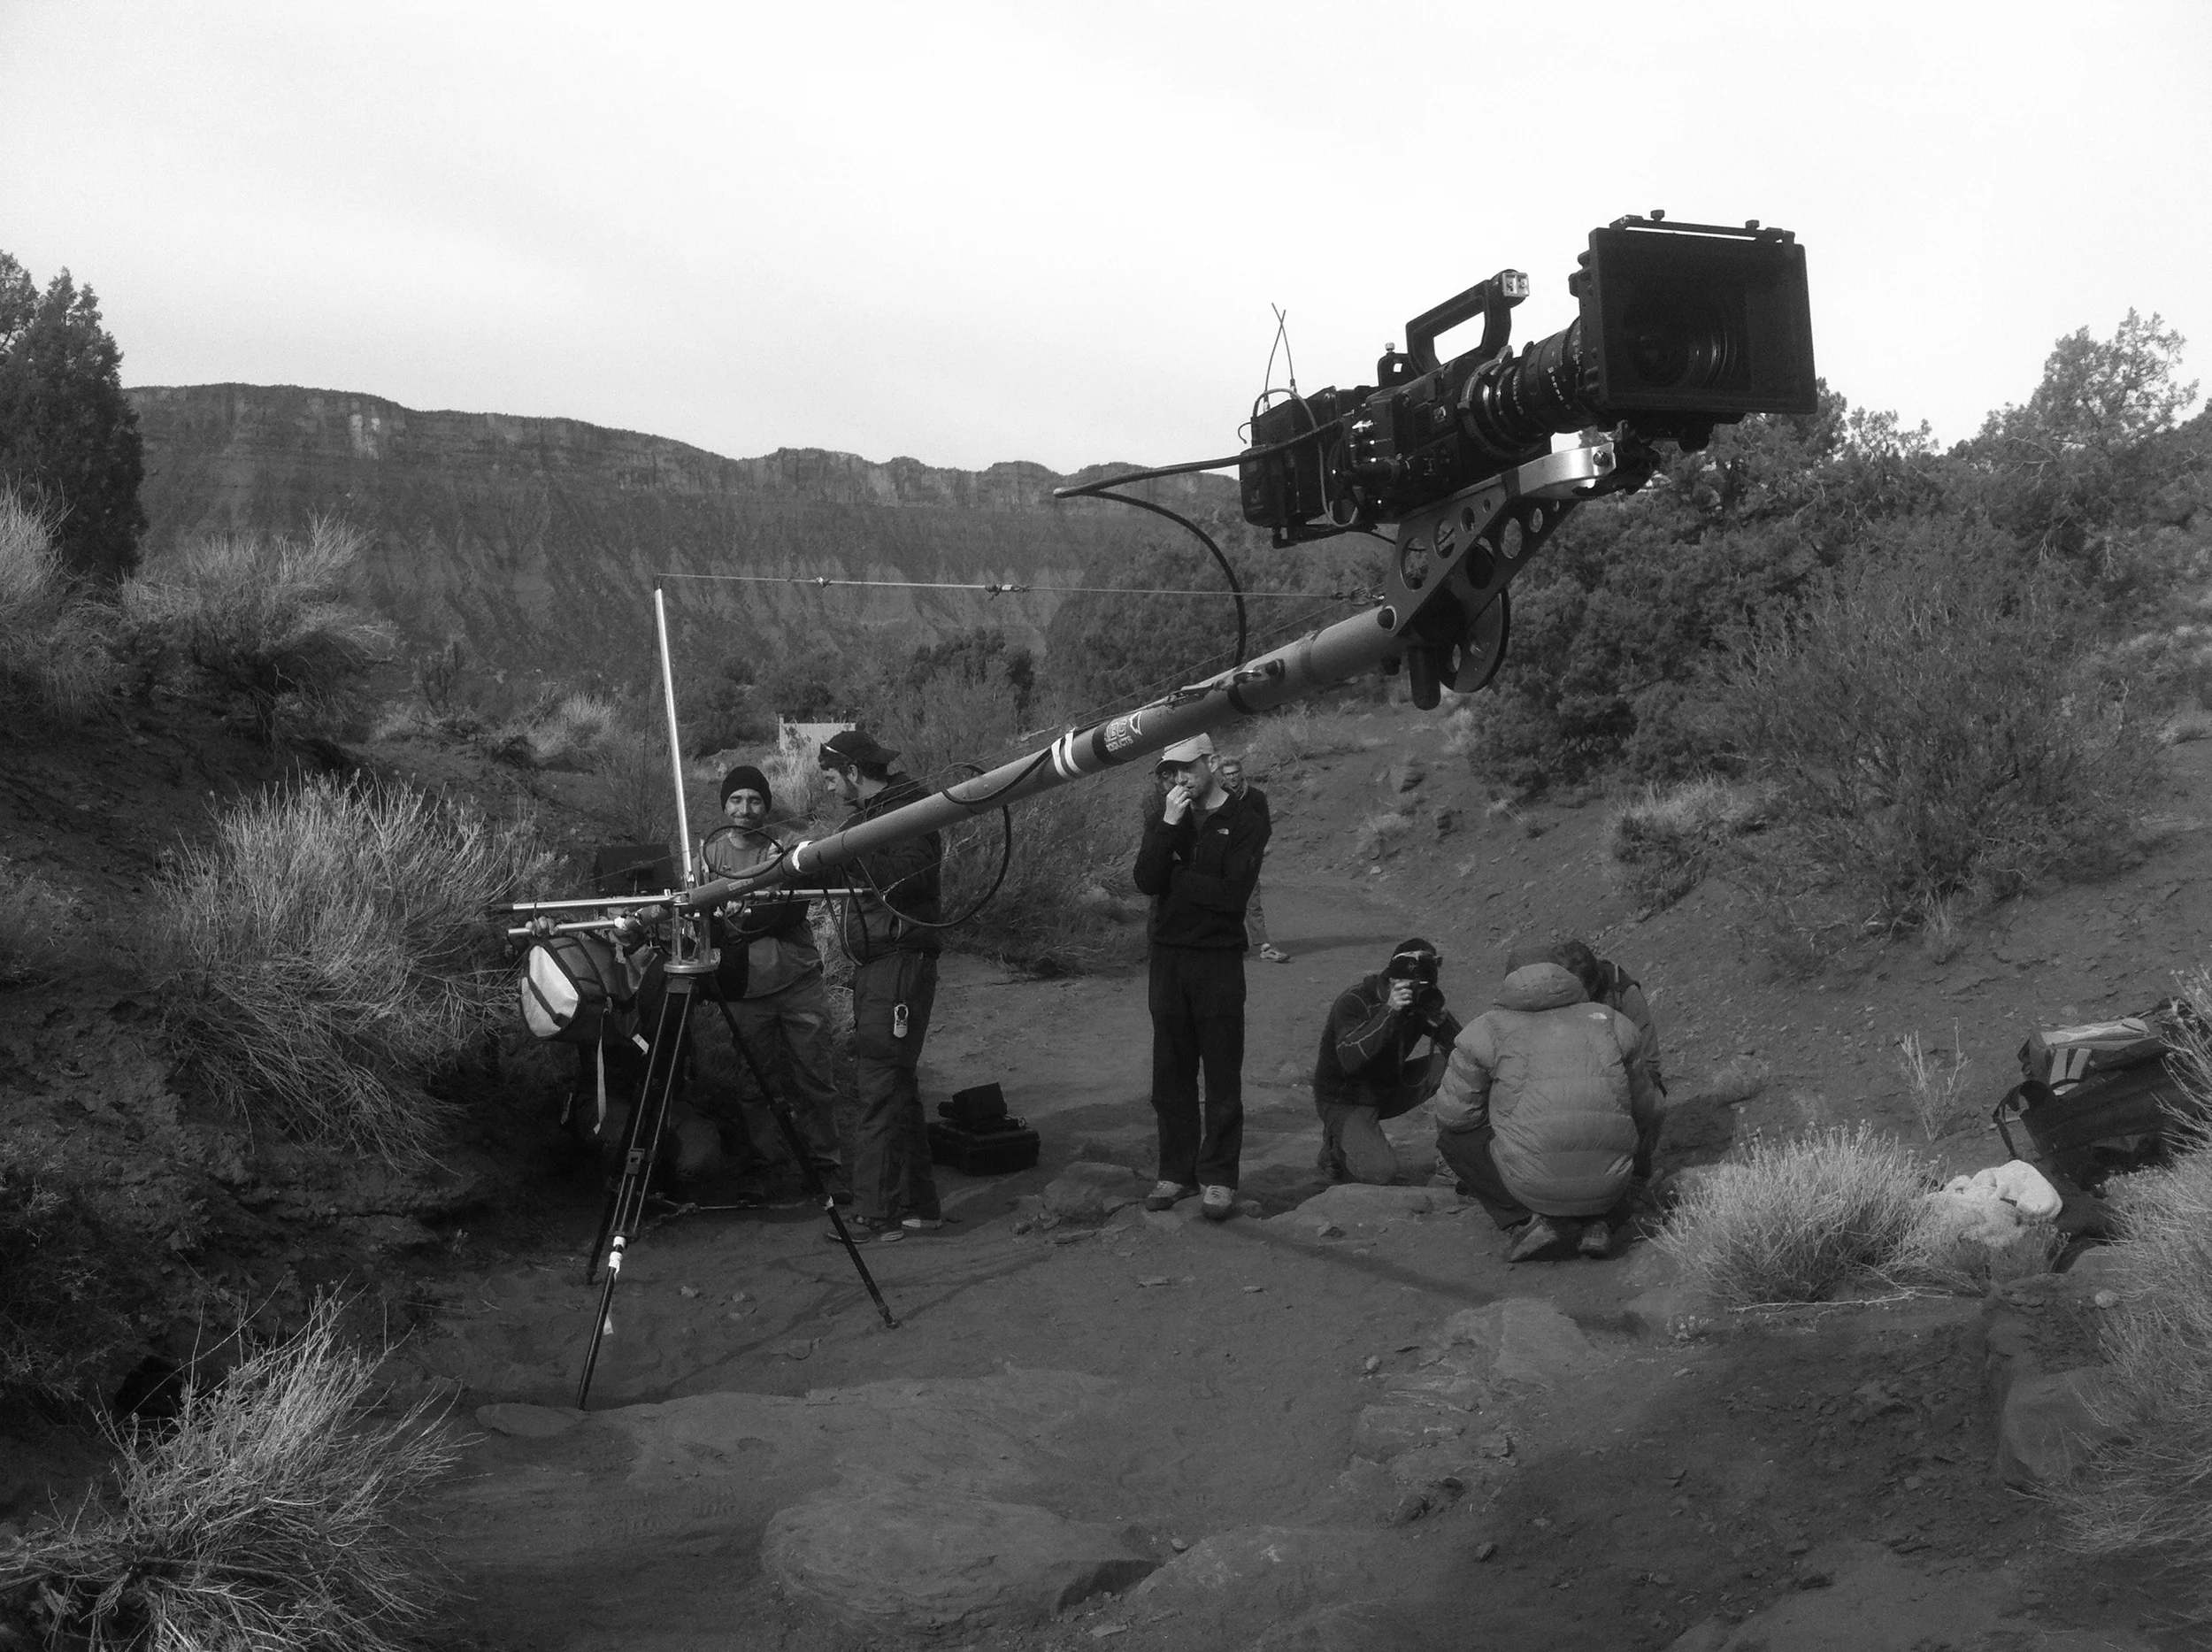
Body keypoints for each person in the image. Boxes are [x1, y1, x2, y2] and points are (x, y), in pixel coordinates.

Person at [1432, 945, 1659, 1262]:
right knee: (1624, 1123)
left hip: (1534, 1186)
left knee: (1452, 1138)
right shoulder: (1610, 1021)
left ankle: (1525, 1221)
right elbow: (1646, 1109)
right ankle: (1603, 1221)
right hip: (1609, 1184)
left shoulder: (1486, 1030)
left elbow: (1453, 1116)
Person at [810, 729, 946, 1242]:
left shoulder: (912, 811)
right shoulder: (866, 820)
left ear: (850, 771)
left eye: (829, 777)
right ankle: (917, 1204)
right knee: (896, 1085)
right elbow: (838, 863)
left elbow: (914, 879)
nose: (827, 788)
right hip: (879, 965)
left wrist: (850, 849)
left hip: (901, 960)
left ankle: (873, 1212)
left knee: (880, 1083)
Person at [1133, 732, 1271, 1222]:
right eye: (1171, 771)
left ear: (1211, 762)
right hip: (1169, 959)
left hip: (1217, 959)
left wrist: (1177, 879)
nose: (1179, 778)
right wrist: (1169, 828)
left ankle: (1218, 1178)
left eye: (1188, 768)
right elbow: (1145, 879)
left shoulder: (1246, 820)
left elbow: (1232, 897)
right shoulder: (1164, 817)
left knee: (1221, 1074)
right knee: (1169, 1074)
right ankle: (1176, 1171)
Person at [698, 764, 846, 1202]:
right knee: (753, 1083)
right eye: (737, 800)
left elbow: (789, 910)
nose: (745, 809)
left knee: (814, 1077)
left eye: (755, 800)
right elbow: (701, 921)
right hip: (745, 988)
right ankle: (769, 1164)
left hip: (797, 980)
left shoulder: (787, 850)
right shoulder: (706, 857)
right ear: (724, 804)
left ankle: (826, 1164)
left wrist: (739, 917)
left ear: (767, 806)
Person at [1312, 938, 1463, 1185]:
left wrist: (1444, 1023)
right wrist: (1390, 1011)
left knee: (1453, 1065)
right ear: (1392, 980)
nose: (1418, 991)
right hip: (1344, 1099)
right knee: (1381, 1172)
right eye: (1413, 985)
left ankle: (1454, 1157)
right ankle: (1335, 1144)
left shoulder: (1418, 1001)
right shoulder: (1355, 1001)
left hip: (1388, 1086)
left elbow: (1465, 1052)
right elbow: (1350, 1059)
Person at [1555, 939, 1664, 1099]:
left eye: (1577, 994)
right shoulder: (1542, 1001)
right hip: (1563, 1090)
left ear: (1593, 987)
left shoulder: (1624, 994)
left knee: (1654, 1102)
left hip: (1618, 1086)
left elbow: (1649, 1064)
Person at [1217, 756, 1288, 963]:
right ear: (1223, 776)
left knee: (1252, 902)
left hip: (1248, 859)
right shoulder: (1218, 797)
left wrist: (1255, 854)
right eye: (1227, 774)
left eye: (1234, 773)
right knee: (1223, 902)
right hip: (1222, 860)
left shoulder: (1256, 797)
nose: (1232, 778)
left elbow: (1265, 828)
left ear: (1241, 773)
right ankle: (1229, 943)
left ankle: (1264, 945)